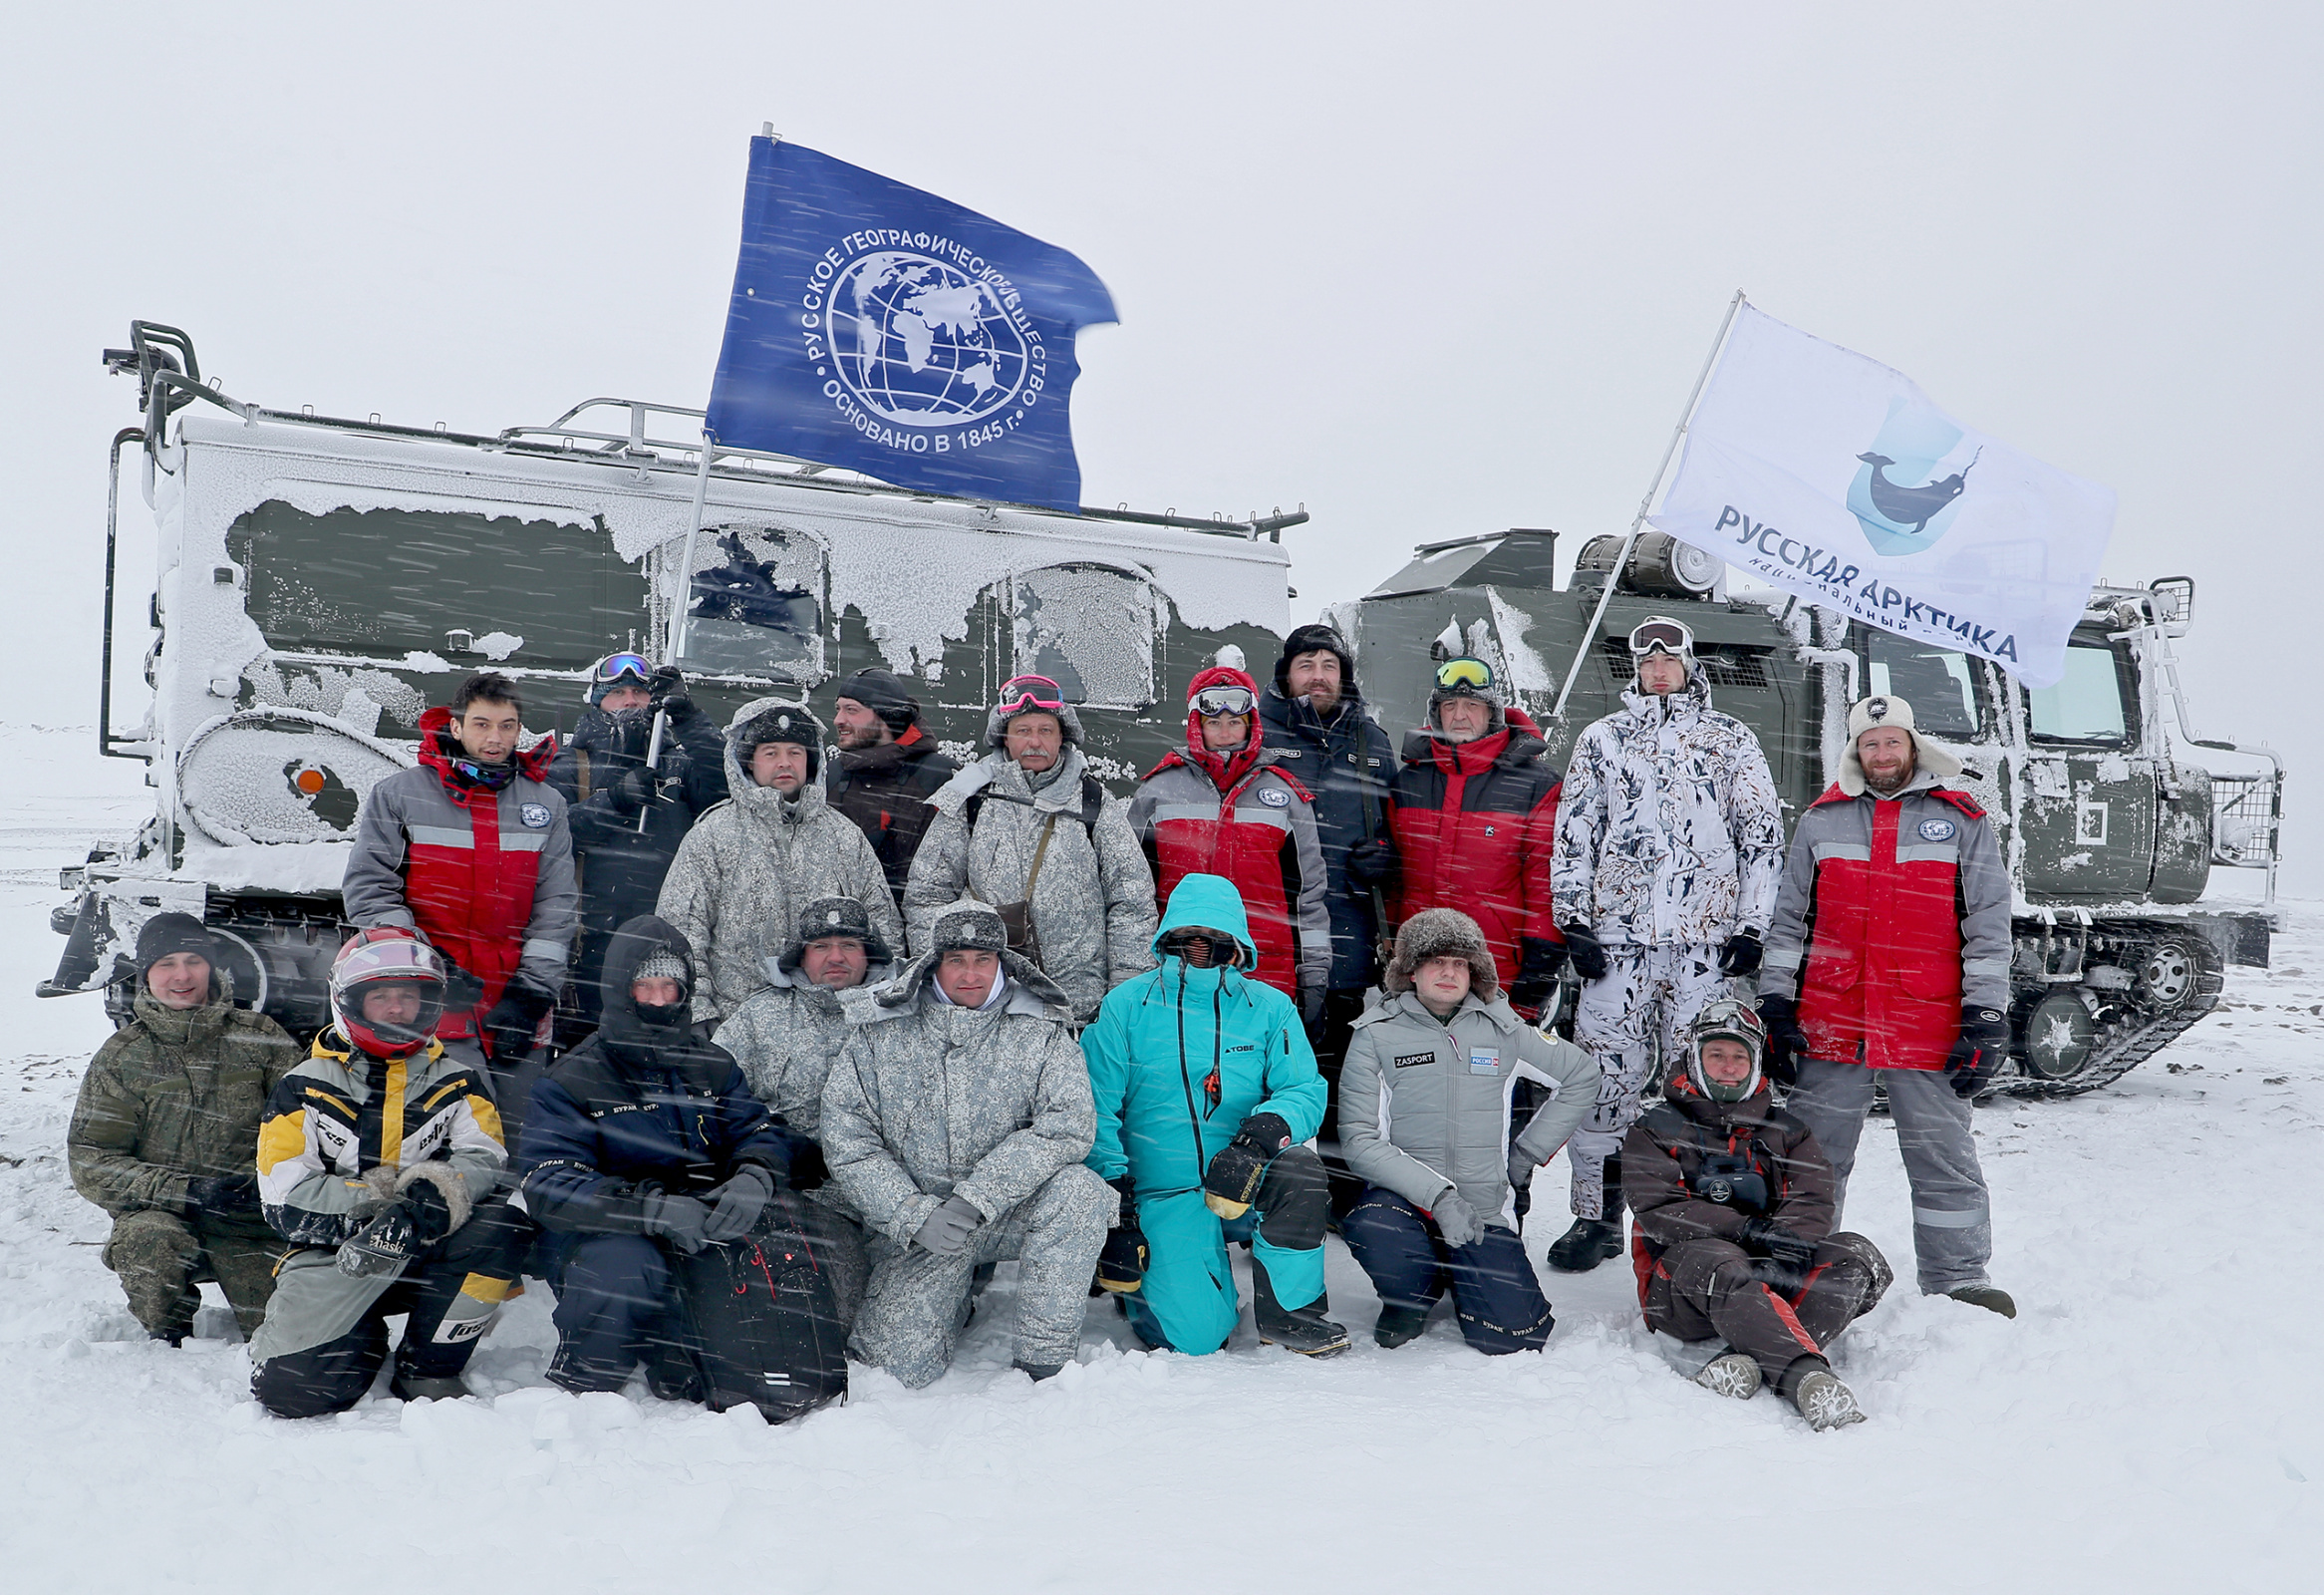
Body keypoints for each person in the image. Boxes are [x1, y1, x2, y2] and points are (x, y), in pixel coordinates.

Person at [1759, 694, 2017, 1317]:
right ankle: (1798, 1269)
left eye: (1892, 742)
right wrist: (1774, 1002)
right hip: (1833, 1019)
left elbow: (1989, 920)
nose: (1882, 754)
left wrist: (1986, 1013)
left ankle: (1959, 1281)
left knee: (1942, 1158)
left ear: (1911, 746)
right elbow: (1788, 918)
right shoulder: (1821, 820)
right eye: (1870, 744)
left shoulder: (1960, 819)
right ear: (1856, 752)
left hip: (1926, 1019)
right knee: (1812, 1158)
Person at [1547, 615, 1786, 1274]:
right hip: (1617, 945)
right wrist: (1575, 921)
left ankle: (1701, 1219)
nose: (1658, 671)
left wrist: (1750, 927)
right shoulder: (1602, 739)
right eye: (1646, 661)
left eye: (1669, 659)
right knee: (1603, 1084)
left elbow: (1761, 840)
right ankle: (1593, 1216)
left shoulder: (1730, 739)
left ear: (1688, 665)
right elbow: (1574, 834)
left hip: (1704, 947)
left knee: (1706, 1085)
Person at [821, 899, 1113, 1386]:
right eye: (956, 960)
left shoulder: (1039, 1028)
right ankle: (954, 1293)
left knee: (1079, 1193)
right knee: (894, 1371)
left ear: (1003, 963)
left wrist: (979, 1197)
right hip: (922, 1226)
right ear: (934, 964)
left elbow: (1068, 1124)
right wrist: (912, 1214)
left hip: (1005, 1211)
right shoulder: (880, 1034)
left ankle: (1044, 1358)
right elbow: (849, 1138)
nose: (970, 974)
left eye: (983, 960)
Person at [517, 916, 810, 1399]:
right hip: (609, 1235)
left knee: (774, 1239)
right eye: (644, 986)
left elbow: (756, 1128)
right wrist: (649, 1209)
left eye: (669, 987)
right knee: (625, 1266)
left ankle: (691, 1351)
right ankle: (589, 1370)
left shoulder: (711, 1063)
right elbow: (550, 1186)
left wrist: (754, 1175)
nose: (657, 1000)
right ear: (620, 990)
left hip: (701, 1219)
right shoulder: (571, 1080)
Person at [247, 929, 524, 1417]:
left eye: (408, 997)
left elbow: (484, 1157)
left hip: (429, 1240)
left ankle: (431, 1365)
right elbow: (285, 1194)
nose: (397, 1010)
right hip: (336, 1254)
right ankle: (361, 1329)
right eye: (381, 997)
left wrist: (428, 1203)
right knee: (293, 1394)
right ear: (350, 1001)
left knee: (503, 1228)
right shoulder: (303, 1085)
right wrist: (378, 1208)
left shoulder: (460, 1080)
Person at [1081, 873, 1348, 1358]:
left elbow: (1303, 1089)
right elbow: (1094, 1107)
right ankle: (1148, 1284)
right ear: (1167, 937)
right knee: (1198, 1339)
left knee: (1301, 1174)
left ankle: (1289, 1316)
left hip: (1243, 1176)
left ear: (1238, 941)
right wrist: (1115, 1209)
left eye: (1215, 939)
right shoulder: (1125, 1007)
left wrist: (1257, 1142)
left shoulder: (1270, 1008)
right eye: (1187, 938)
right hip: (1160, 1192)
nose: (1200, 948)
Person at [1336, 909, 1599, 1353]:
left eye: (1460, 963)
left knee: (1517, 1336)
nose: (1448, 972)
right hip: (1407, 1204)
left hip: (1483, 1209)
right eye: (1436, 960)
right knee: (1374, 1224)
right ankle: (1409, 1297)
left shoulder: (1505, 1032)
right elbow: (1361, 1142)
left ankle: (1465, 1272)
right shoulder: (1375, 1036)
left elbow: (1581, 1076)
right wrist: (1438, 1197)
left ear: (1474, 972)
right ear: (1412, 970)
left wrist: (1526, 1154)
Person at [1622, 1000, 1892, 1431]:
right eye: (1716, 1055)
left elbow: (1813, 1197)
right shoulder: (1654, 1129)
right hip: (1681, 1290)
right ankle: (1807, 1379)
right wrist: (1748, 1230)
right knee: (1720, 1261)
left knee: (1858, 1258)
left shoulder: (1789, 1131)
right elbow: (1660, 1210)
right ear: (1696, 1059)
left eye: (1739, 1056)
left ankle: (1743, 1359)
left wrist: (1789, 1241)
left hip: (1772, 1273)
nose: (1728, 1066)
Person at [342, 669, 577, 1144]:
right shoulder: (401, 794)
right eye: (482, 724)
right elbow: (370, 889)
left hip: (516, 996)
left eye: (508, 726)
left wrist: (532, 993)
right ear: (455, 726)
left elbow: (557, 902)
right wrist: (428, 967)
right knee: (445, 1130)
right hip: (430, 996)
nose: (496, 738)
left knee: (520, 1132)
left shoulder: (545, 803)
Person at [67, 913, 301, 1344]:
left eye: (193, 960)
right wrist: (186, 1191)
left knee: (289, 1334)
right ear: (146, 975)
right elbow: (91, 1160)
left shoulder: (261, 1037)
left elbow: (307, 1124)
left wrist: (265, 1188)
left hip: (250, 1217)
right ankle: (168, 1331)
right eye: (166, 964)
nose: (182, 975)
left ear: (211, 966)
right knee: (148, 1244)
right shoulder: (123, 1057)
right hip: (164, 1216)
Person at [904, 675, 1157, 1022]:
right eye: (1023, 731)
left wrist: (1126, 992)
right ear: (1004, 736)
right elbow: (925, 897)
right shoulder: (969, 800)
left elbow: (1131, 902)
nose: (1034, 742)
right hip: (984, 1010)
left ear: (1062, 737)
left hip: (1078, 1011)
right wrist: (945, 982)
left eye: (1045, 730)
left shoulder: (1094, 802)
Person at [656, 696, 902, 1033]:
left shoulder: (845, 836)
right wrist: (699, 1012)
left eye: (795, 752)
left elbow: (883, 929)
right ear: (749, 763)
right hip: (737, 1028)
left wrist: (878, 1006)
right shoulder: (713, 834)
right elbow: (681, 928)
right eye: (770, 752)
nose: (784, 762)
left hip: (840, 1030)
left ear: (810, 760)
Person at [712, 895, 897, 1323]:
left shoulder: (903, 1011)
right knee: (818, 1315)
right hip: (799, 1194)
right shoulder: (758, 1016)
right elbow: (715, 1101)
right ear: (801, 955)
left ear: (869, 952)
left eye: (849, 945)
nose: (836, 957)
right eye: (821, 946)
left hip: (892, 1197)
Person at [548, 653, 730, 1043]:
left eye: (639, 692)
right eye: (618, 693)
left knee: (673, 1053)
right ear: (596, 701)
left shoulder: (681, 765)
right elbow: (549, 837)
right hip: (595, 947)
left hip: (675, 942)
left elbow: (729, 790)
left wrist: (691, 719)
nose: (630, 700)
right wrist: (614, 801)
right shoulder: (567, 765)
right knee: (601, 1055)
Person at [1126, 665, 1329, 1012]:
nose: (1225, 733)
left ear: (1251, 724)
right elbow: (1130, 891)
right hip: (1178, 967)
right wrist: (1133, 968)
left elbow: (1308, 897)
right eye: (1213, 722)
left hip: (1265, 971)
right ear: (1196, 725)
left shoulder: (1285, 796)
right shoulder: (1157, 791)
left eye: (1235, 722)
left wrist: (1314, 973)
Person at [1256, 622, 1398, 1083]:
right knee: (1265, 1067)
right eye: (1306, 665)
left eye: (1329, 666)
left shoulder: (1372, 742)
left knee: (1336, 1077)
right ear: (1286, 674)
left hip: (1347, 939)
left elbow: (1399, 824)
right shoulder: (1257, 735)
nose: (1318, 675)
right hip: (1274, 935)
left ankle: (1332, 1157)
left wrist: (1387, 854)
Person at [1386, 657, 1565, 1021]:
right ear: (1437, 715)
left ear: (1492, 713)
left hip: (1497, 972)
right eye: (1449, 706)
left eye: (1473, 705)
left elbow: (1545, 885)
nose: (1461, 715)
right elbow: (1394, 879)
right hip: (1420, 972)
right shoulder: (1410, 781)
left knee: (1493, 1073)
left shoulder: (1536, 785)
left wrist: (1542, 966)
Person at [824, 666, 960, 909]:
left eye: (851, 710)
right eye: (837, 709)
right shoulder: (829, 777)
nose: (838, 720)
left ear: (886, 715)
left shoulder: (940, 778)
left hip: (924, 932)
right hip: (846, 937)